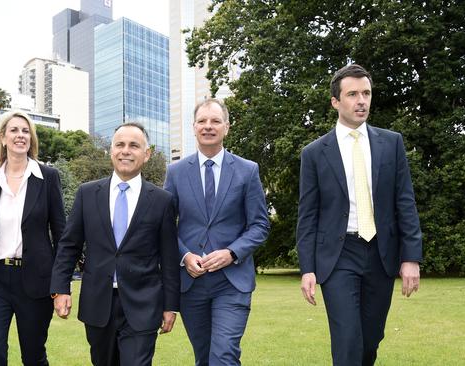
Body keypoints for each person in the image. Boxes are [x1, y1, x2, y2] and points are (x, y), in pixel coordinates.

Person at [296, 64, 423, 365]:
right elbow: (308, 215)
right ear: (335, 102)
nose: (361, 101)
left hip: (381, 253)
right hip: (338, 256)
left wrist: (410, 257)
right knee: (347, 339)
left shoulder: (391, 143)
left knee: (370, 340)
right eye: (352, 94)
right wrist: (307, 268)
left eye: (365, 93)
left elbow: (405, 202)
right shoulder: (314, 153)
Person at [51, 122, 180, 366]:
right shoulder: (87, 194)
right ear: (111, 151)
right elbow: (69, 245)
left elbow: (169, 258)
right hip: (98, 303)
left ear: (147, 154)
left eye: (134, 145)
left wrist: (171, 305)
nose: (126, 151)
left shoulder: (162, 201)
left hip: (143, 305)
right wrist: (61, 288)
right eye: (120, 145)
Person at [164, 99, 270, 365]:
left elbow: (259, 225)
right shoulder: (175, 172)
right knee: (204, 358)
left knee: (223, 354)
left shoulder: (247, 170)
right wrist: (185, 256)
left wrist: (232, 253)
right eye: (202, 121)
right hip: (191, 284)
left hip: (232, 282)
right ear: (194, 127)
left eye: (215, 121)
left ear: (227, 127)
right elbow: (164, 226)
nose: (208, 126)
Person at [0, 110, 66, 365]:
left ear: (31, 139)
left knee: (33, 356)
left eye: (26, 131)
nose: (21, 135)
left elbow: (62, 233)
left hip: (36, 281)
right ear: (3, 138)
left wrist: (62, 285)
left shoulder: (48, 177)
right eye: (14, 130)